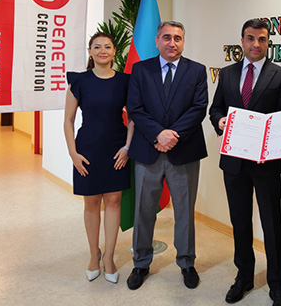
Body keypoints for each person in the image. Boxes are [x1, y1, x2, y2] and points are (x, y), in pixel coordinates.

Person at [209, 19, 281, 306]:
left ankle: (278, 286)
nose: (255, 44)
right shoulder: (228, 74)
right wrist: (220, 121)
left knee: (272, 224)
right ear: (242, 40)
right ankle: (243, 277)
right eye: (250, 38)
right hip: (234, 162)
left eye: (261, 39)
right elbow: (215, 109)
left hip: (265, 164)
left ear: (268, 42)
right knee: (240, 222)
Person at [125, 21, 208, 291]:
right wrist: (158, 135)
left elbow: (199, 108)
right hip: (148, 151)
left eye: (178, 38)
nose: (172, 43)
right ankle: (141, 263)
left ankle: (186, 262)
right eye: (167, 37)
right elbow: (135, 108)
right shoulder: (141, 69)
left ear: (183, 41)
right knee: (143, 210)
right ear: (157, 40)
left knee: (184, 211)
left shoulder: (196, 70)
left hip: (184, 151)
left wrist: (172, 136)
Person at [63, 32, 133, 284]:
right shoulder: (79, 81)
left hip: (116, 149)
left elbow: (133, 118)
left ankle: (110, 257)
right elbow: (68, 120)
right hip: (87, 150)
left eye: (107, 46)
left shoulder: (126, 81)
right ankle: (95, 255)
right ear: (90, 52)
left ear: (114, 51)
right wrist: (73, 153)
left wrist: (127, 148)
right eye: (97, 47)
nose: (103, 50)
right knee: (91, 203)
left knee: (113, 202)